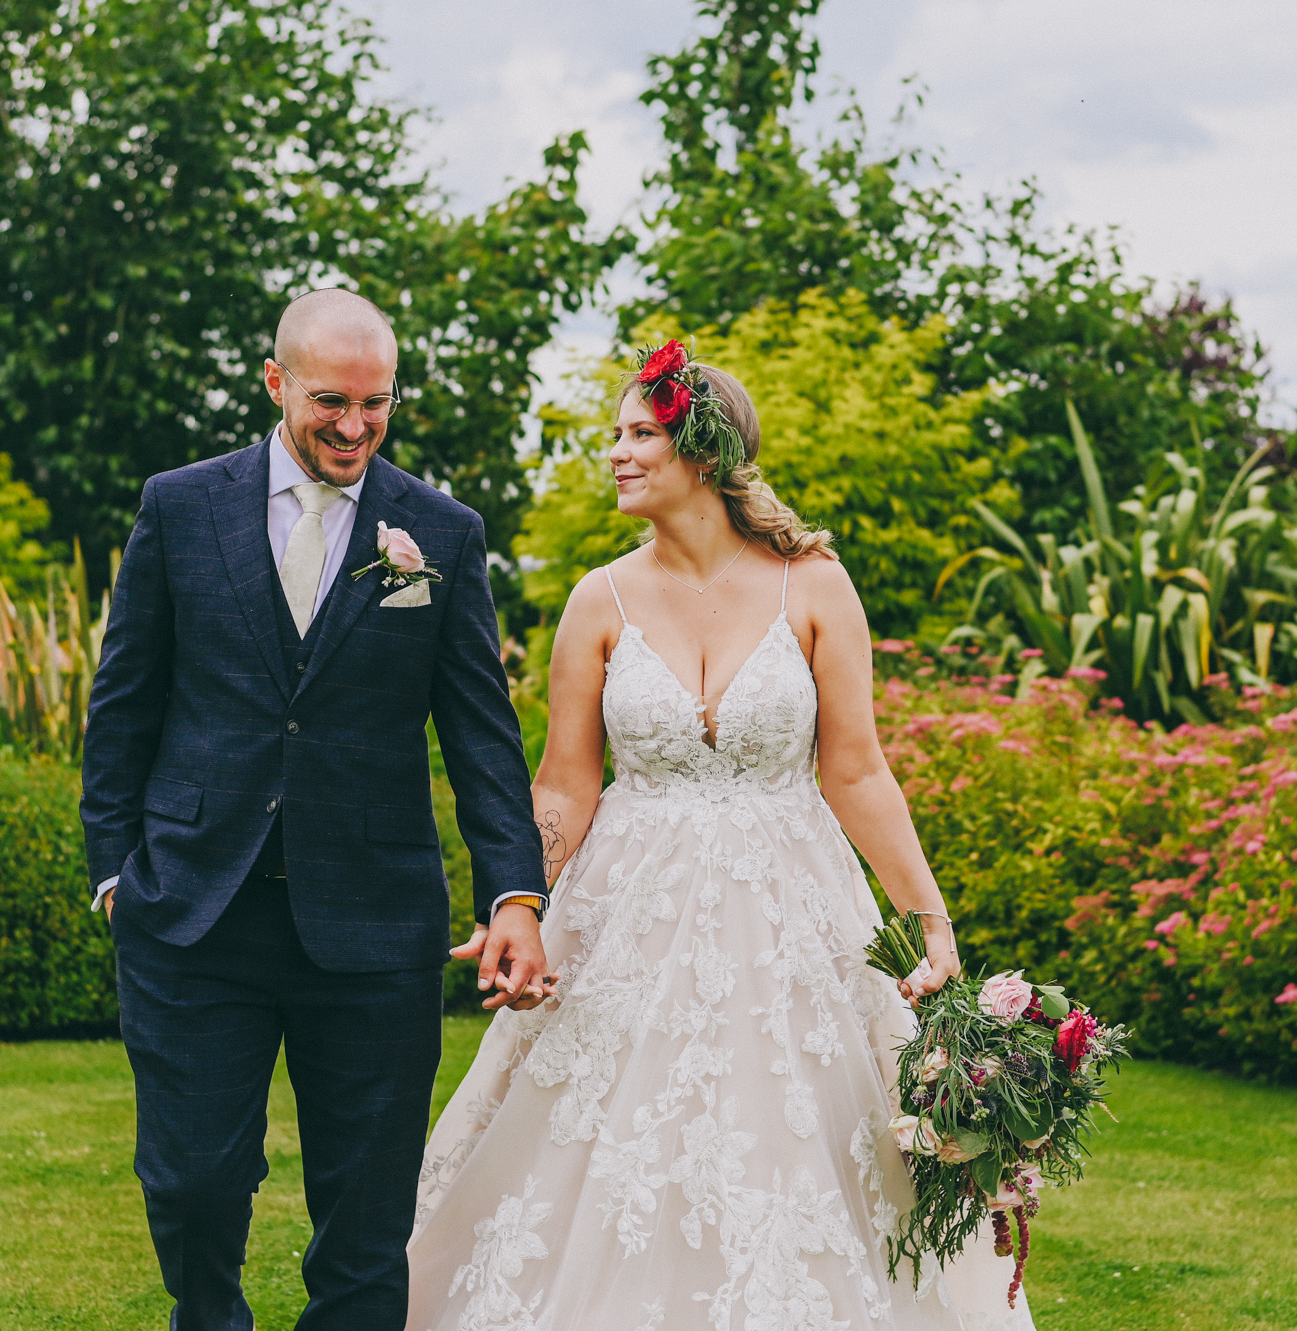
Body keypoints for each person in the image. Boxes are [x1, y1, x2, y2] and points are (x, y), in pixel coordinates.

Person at [407, 343, 1036, 1330]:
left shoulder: (814, 584)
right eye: (615, 434)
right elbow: (564, 782)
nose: (615, 452)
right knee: (606, 1141)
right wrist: (522, 910)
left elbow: (857, 770)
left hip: (795, 912)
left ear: (699, 451)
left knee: (799, 1136)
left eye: (638, 433)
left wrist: (927, 922)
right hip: (625, 911)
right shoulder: (595, 599)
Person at [82, 289, 552, 1331]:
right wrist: (115, 871)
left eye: (375, 404)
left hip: (375, 921)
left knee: (365, 1215)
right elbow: (123, 704)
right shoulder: (178, 505)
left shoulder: (439, 533)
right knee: (192, 1179)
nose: (352, 426)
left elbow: (480, 734)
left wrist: (513, 893)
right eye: (329, 401)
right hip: (192, 910)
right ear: (275, 383)